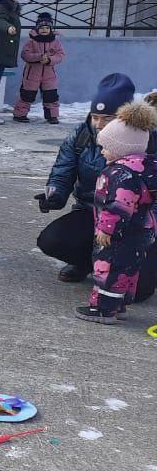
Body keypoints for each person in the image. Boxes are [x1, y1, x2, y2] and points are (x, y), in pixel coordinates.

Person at [35, 74, 157, 303]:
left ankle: (119, 268)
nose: (99, 124)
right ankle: (88, 263)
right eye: (95, 116)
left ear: (124, 117)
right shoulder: (82, 134)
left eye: (107, 118)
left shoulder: (149, 142)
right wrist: (55, 194)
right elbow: (63, 169)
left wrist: (145, 229)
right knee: (52, 239)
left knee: (140, 292)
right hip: (93, 213)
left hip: (137, 224)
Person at [76, 100, 157, 324]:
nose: (102, 152)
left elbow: (117, 206)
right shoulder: (147, 168)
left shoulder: (119, 174)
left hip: (120, 234)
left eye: (106, 147)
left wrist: (106, 229)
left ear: (121, 149)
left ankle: (103, 309)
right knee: (128, 270)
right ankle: (119, 305)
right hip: (142, 230)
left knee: (108, 269)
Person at [12, 12, 65, 124]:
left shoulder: (55, 42)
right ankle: (20, 114)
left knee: (51, 95)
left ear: (51, 29)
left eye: (47, 28)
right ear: (37, 29)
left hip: (49, 74)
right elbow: (25, 55)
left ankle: (52, 116)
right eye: (41, 28)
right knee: (27, 95)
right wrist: (38, 57)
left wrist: (50, 59)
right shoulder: (31, 41)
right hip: (32, 74)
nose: (44, 30)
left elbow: (60, 55)